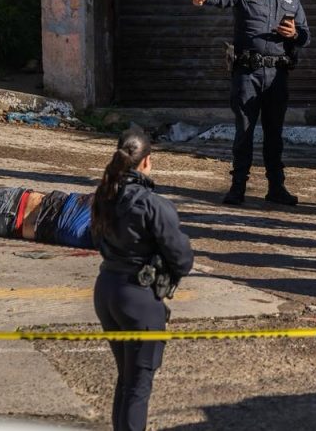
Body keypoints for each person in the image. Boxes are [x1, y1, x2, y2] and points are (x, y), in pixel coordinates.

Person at [190, 0, 311, 207]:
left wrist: (293, 35)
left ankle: (276, 188)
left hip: (277, 76)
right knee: (244, 132)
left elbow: (305, 36)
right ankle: (237, 189)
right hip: (248, 74)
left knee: (274, 134)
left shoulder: (291, 0)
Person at [91, 127, 194, 431]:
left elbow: (95, 238)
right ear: (147, 161)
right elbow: (183, 259)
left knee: (127, 379)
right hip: (138, 298)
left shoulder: (104, 195)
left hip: (106, 290)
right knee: (138, 387)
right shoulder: (154, 205)